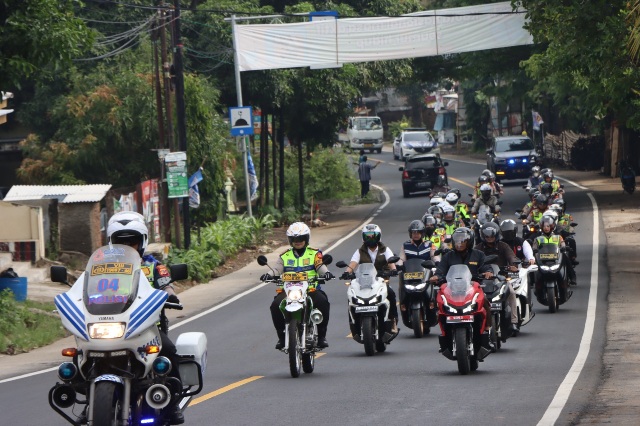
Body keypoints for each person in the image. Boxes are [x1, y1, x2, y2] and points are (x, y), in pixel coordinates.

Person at [106, 211, 184, 425]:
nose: (127, 247)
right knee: (84, 353)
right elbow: (85, 289)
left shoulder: (153, 266)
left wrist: (171, 296)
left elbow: (167, 287)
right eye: (121, 243)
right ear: (111, 243)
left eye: (132, 242)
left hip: (147, 329)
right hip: (111, 326)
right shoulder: (104, 268)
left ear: (141, 242)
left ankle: (173, 403)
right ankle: (90, 402)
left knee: (169, 351)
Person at [263, 222, 333, 349]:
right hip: (289, 290)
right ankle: (282, 337)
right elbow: (276, 269)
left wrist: (326, 273)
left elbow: (320, 266)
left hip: (311, 289)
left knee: (323, 302)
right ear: (290, 240)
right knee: (275, 306)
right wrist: (268, 275)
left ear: (306, 239)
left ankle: (322, 336)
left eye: (301, 238)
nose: (298, 241)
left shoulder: (314, 253)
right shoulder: (285, 255)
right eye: (294, 239)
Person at [428, 227, 494, 352]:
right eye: (457, 240)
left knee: (486, 303)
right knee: (440, 305)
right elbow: (441, 270)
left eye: (463, 240)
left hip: (473, 289)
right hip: (452, 290)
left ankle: (488, 331)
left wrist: (488, 273)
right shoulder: (448, 256)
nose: (460, 243)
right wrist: (436, 276)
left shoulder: (478, 254)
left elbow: (486, 266)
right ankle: (445, 336)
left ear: (469, 241)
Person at [343, 224, 399, 335]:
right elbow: (352, 264)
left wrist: (393, 270)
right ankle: (354, 324)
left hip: (381, 281)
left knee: (391, 294)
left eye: (373, 236)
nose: (371, 238)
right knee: (351, 296)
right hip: (364, 282)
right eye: (368, 236)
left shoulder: (385, 249)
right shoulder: (360, 251)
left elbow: (391, 262)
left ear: (379, 237)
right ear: (363, 237)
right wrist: (346, 272)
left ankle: (392, 320)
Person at [473, 222, 521, 335]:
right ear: (483, 236)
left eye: (492, 236)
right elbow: (472, 262)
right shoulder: (478, 248)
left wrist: (513, 265)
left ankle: (514, 321)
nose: (490, 238)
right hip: (482, 280)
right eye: (487, 236)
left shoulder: (503, 246)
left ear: (497, 235)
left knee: (512, 292)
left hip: (501, 279)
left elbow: (511, 256)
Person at [397, 220, 436, 326]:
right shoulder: (405, 245)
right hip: (410, 276)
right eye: (413, 232)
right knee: (402, 290)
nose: (416, 235)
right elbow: (401, 258)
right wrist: (398, 266)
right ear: (410, 233)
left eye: (418, 232)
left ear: (422, 233)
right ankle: (405, 308)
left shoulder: (429, 244)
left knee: (439, 289)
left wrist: (437, 263)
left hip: (426, 275)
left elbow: (434, 256)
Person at [530, 214, 574, 292]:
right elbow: (534, 247)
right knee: (532, 263)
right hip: (542, 259)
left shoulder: (558, 237)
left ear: (551, 227)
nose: (546, 228)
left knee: (566, 258)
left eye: (548, 226)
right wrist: (534, 250)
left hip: (556, 257)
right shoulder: (538, 239)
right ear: (541, 227)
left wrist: (564, 247)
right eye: (544, 226)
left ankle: (572, 277)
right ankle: (532, 281)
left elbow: (562, 243)